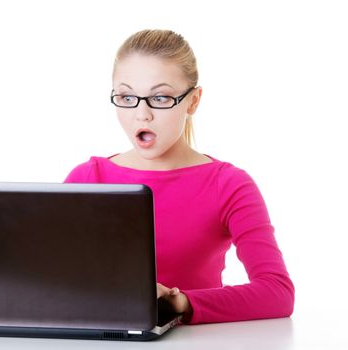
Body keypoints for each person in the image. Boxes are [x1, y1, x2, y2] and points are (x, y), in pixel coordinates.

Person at [63, 29, 294, 325]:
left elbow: (277, 292)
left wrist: (183, 301)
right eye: (126, 96)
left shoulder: (229, 185)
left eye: (160, 97)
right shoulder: (87, 178)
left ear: (193, 101)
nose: (141, 114)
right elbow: (45, 279)